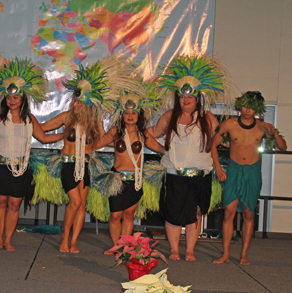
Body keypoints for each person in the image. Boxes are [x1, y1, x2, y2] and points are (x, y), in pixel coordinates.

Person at [0, 58, 63, 251]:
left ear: (22, 99)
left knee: (14, 204)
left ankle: (8, 240)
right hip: (2, 165)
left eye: (15, 98)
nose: (11, 101)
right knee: (1, 203)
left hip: (21, 166)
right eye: (8, 97)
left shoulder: (30, 119)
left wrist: (67, 133)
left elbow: (44, 139)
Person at [149, 55, 229, 261]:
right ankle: (175, 250)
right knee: (174, 213)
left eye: (190, 97)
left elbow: (221, 139)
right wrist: (161, 150)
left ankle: (190, 250)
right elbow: (151, 133)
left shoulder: (207, 118)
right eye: (182, 97)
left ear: (198, 99)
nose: (186, 100)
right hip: (175, 174)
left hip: (200, 175)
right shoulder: (169, 116)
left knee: (196, 213)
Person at [41, 60, 122, 253]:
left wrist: (121, 139)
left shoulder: (95, 121)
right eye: (74, 101)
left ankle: (74, 241)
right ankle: (64, 237)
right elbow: (42, 130)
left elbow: (102, 141)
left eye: (78, 102)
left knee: (82, 204)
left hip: (85, 165)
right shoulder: (65, 117)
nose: (74, 104)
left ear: (87, 104)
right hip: (68, 164)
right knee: (75, 202)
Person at [212, 91, 287, 265]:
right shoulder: (229, 124)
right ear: (240, 106)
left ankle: (244, 254)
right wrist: (218, 168)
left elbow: (283, 147)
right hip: (234, 169)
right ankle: (225, 254)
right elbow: (213, 145)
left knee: (248, 213)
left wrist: (274, 133)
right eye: (245, 106)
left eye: (252, 107)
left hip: (253, 171)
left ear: (258, 109)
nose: (248, 110)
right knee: (228, 212)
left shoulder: (263, 127)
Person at [94, 85, 164, 254]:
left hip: (136, 180)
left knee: (128, 215)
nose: (130, 116)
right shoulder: (115, 132)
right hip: (117, 179)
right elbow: (96, 145)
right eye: (127, 113)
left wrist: (177, 154)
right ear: (122, 114)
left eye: (133, 113)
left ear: (139, 115)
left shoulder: (143, 134)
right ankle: (116, 245)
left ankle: (125, 246)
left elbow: (160, 149)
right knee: (115, 215)